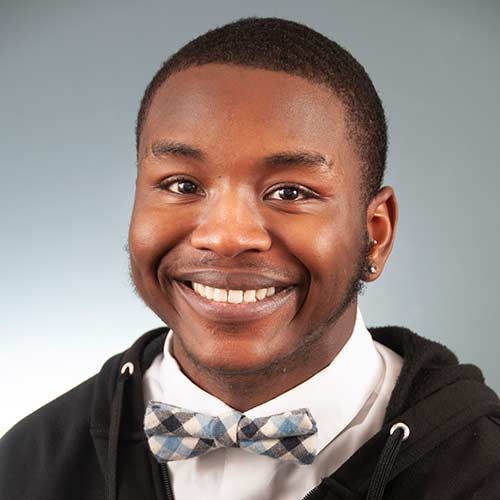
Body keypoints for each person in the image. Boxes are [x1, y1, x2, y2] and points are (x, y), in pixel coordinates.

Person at [1, 16, 499, 500]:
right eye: (183, 185)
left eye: (289, 191)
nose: (226, 236)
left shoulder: (482, 469)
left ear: (375, 235)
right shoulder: (26, 466)